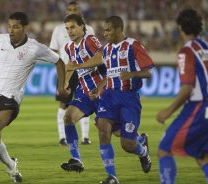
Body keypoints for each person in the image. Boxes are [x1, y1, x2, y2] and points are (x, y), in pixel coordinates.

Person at [0, 12, 66, 183]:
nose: (11, 30)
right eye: (10, 26)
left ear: (25, 28)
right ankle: (12, 167)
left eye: (16, 26)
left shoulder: (35, 48)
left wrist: (61, 86)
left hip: (11, 98)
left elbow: (59, 62)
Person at [92, 15, 154, 184]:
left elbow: (148, 72)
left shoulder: (133, 45)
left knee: (126, 143)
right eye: (104, 30)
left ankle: (143, 150)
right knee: (103, 131)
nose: (105, 34)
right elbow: (110, 73)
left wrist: (132, 74)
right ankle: (112, 176)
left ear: (119, 30)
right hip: (109, 97)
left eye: (108, 30)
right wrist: (100, 87)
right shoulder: (107, 49)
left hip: (129, 99)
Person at [156, 9, 208, 184]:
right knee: (202, 156)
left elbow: (187, 88)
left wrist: (167, 111)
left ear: (180, 28)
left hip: (198, 107)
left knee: (164, 148)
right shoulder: (205, 46)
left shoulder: (185, 52)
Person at [60, 13, 106, 173]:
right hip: (84, 93)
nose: (70, 31)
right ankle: (76, 160)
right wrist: (66, 81)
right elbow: (71, 63)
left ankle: (140, 142)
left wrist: (77, 67)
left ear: (82, 27)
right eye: (67, 28)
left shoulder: (90, 39)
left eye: (73, 27)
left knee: (119, 133)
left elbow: (100, 59)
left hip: (103, 91)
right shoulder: (69, 47)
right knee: (68, 117)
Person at [49, 1, 95, 146]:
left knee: (85, 100)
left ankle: (85, 137)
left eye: (74, 9)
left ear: (79, 11)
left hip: (84, 69)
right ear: (66, 11)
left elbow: (94, 52)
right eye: (70, 9)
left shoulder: (89, 29)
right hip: (65, 70)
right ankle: (62, 137)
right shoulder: (58, 29)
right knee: (63, 102)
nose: (72, 11)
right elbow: (54, 51)